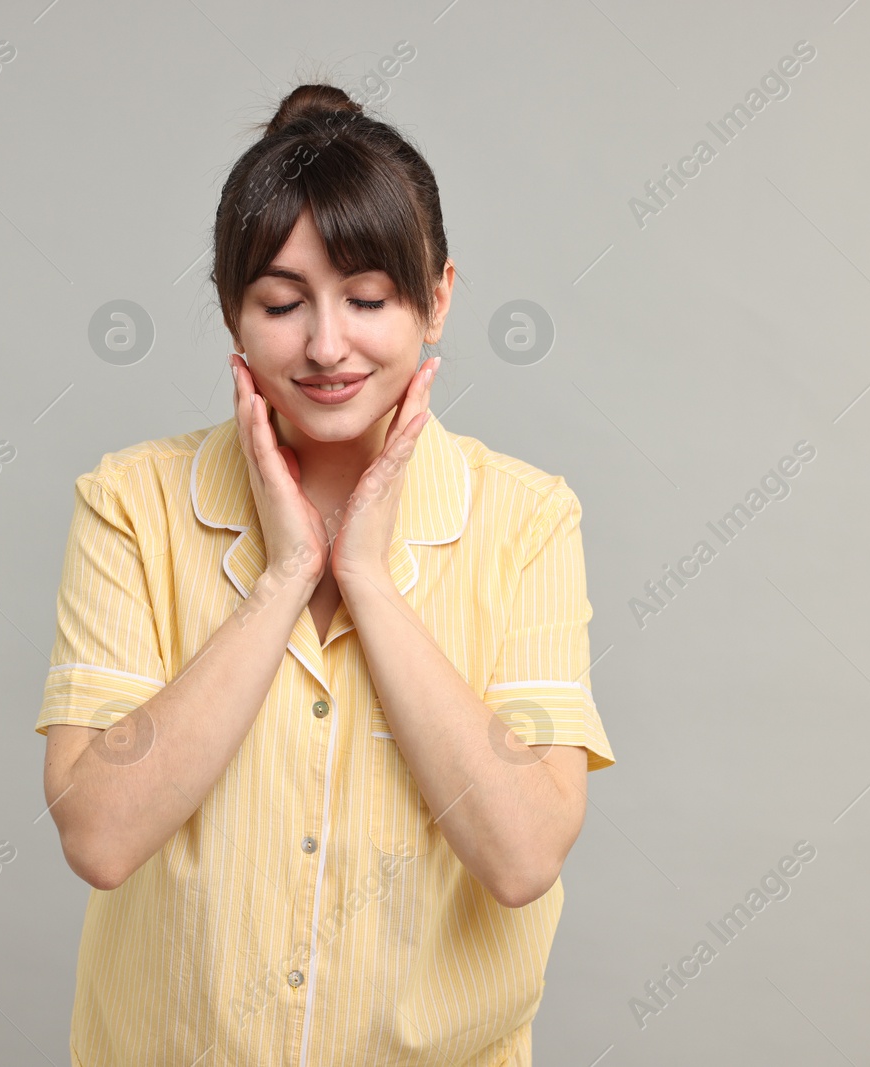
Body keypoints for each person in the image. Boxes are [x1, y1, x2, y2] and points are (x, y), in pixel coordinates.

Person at [36, 82, 615, 1067]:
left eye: (368, 298)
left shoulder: (526, 517)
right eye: (281, 302)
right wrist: (284, 577)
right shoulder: (129, 502)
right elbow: (98, 832)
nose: (325, 345)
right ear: (231, 309)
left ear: (436, 298)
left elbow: (522, 854)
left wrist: (369, 582)